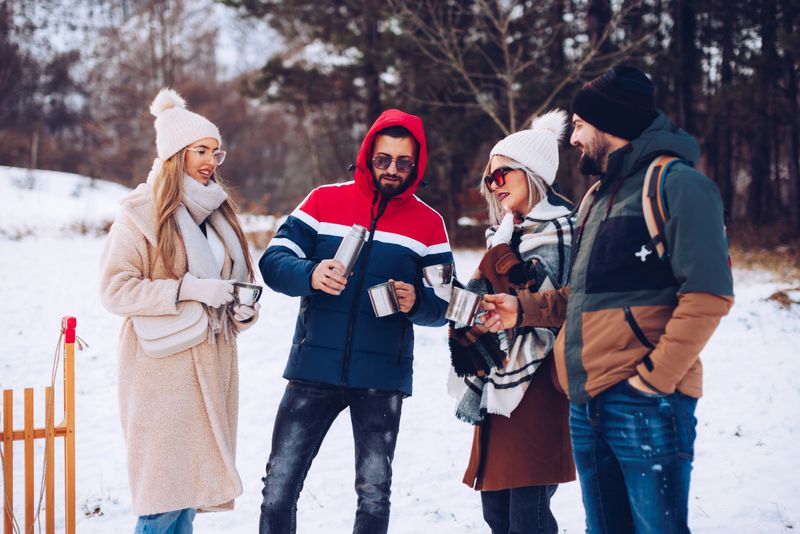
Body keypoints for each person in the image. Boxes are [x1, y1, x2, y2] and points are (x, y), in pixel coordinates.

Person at [481, 66, 735, 534]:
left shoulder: (679, 186)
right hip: (586, 401)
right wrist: (523, 309)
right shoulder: (598, 197)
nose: (573, 136)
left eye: (579, 124)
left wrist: (655, 381)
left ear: (608, 123)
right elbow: (578, 294)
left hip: (645, 402)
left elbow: (709, 295)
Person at [257, 109, 453, 534]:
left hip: (381, 378)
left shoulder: (429, 224)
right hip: (313, 369)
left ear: (416, 165)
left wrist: (417, 300)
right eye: (384, 159)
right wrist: (310, 273)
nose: (392, 170)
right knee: (279, 486)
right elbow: (273, 261)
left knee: (374, 491)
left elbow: (446, 302)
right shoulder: (324, 201)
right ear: (367, 155)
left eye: (404, 162)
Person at [99, 88, 259, 533]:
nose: (210, 160)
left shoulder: (219, 214)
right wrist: (188, 289)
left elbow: (234, 283)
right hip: (162, 373)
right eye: (200, 151)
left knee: (185, 498)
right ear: (175, 156)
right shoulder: (141, 213)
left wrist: (240, 310)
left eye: (215, 151)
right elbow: (115, 289)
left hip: (212, 364)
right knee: (163, 499)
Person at [447, 110, 576, 534]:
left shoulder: (564, 228)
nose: (494, 185)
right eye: (490, 178)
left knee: (529, 513)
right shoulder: (504, 234)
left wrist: (500, 259)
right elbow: (477, 300)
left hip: (542, 382)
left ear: (532, 173)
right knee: (496, 513)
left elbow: (547, 299)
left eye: (502, 174)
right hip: (498, 381)